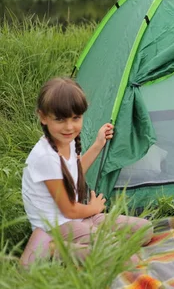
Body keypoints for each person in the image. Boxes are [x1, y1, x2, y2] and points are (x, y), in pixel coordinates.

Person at [20, 77, 153, 267]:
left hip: (80, 218)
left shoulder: (68, 140)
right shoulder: (45, 158)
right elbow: (69, 209)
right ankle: (51, 248)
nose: (69, 126)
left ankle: (87, 244)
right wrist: (94, 208)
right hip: (57, 226)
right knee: (128, 260)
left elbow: (75, 172)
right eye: (60, 119)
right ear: (43, 117)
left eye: (76, 118)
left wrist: (98, 144)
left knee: (145, 230)